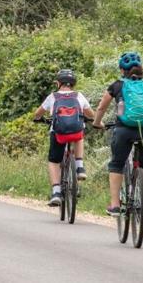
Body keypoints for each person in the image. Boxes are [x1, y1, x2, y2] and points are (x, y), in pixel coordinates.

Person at [93, 52, 143, 216]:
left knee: (117, 164)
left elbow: (101, 108)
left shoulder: (117, 85)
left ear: (121, 70)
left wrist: (97, 123)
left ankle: (115, 205)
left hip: (124, 130)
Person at [33, 69, 95, 207]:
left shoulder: (53, 97)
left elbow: (38, 113)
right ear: (73, 84)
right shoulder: (79, 96)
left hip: (58, 133)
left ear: (58, 83)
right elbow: (91, 114)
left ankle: (56, 192)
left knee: (54, 161)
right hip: (76, 132)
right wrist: (93, 120)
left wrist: (38, 118)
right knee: (79, 134)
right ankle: (79, 167)